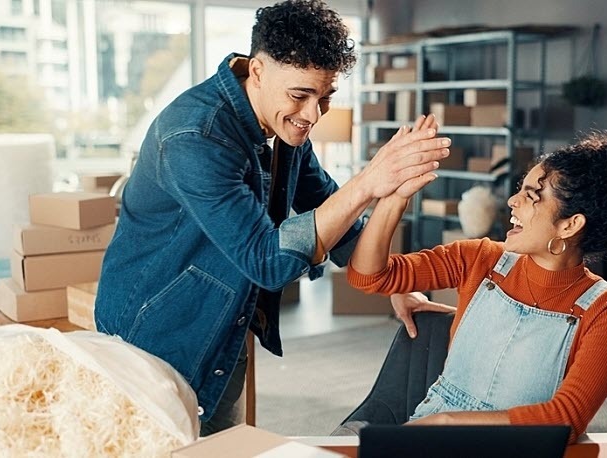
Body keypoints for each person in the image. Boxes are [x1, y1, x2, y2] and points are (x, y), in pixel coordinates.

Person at [94, 0, 452, 437]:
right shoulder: (194, 137)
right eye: (300, 95)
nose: (312, 115)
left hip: (224, 325)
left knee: (220, 447)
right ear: (257, 71)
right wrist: (368, 183)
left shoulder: (284, 126)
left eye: (325, 97)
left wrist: (398, 286)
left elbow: (331, 214)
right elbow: (267, 261)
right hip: (153, 335)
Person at [347, 132, 607, 443]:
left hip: (519, 448)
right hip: (430, 437)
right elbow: (370, 276)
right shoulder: (480, 258)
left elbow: (566, 419)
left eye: (532, 195)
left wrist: (446, 421)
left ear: (569, 225)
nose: (513, 201)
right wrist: (395, 198)